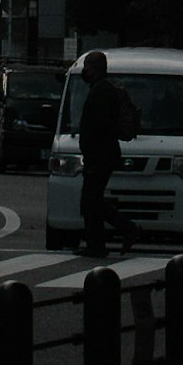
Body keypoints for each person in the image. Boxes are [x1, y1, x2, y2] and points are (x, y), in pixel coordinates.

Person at [74, 45, 134, 257]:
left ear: (95, 68)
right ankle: (98, 242)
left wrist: (90, 151)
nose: (84, 70)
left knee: (91, 200)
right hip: (102, 155)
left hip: (99, 156)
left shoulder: (101, 91)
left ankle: (120, 231)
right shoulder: (102, 89)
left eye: (87, 66)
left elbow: (99, 127)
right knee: (92, 200)